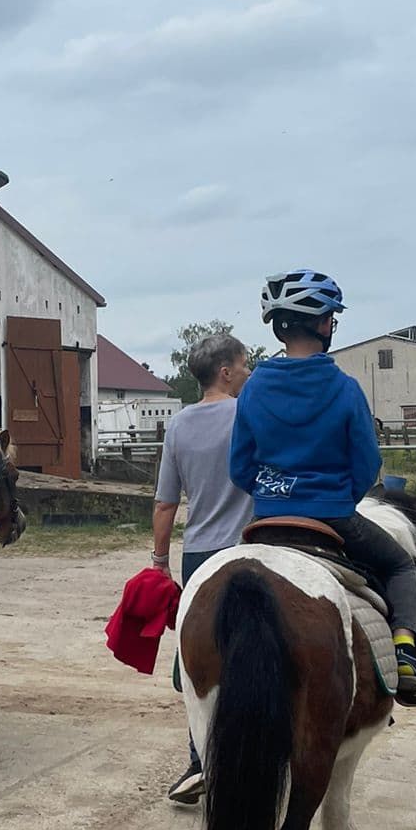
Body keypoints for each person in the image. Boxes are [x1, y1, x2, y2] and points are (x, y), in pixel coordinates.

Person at [228, 270, 416, 701]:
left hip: (267, 518)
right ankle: (404, 652)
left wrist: (272, 492)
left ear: (280, 325)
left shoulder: (252, 388)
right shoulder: (344, 389)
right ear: (324, 324)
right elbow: (366, 465)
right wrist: (338, 496)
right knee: (399, 565)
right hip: (332, 515)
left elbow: (239, 467)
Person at [152, 332, 254, 806]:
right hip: (249, 550)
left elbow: (165, 504)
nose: (250, 373)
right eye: (246, 364)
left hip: (198, 556)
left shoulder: (178, 426)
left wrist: (159, 562)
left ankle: (200, 760)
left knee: (195, 665)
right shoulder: (249, 415)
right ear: (226, 372)